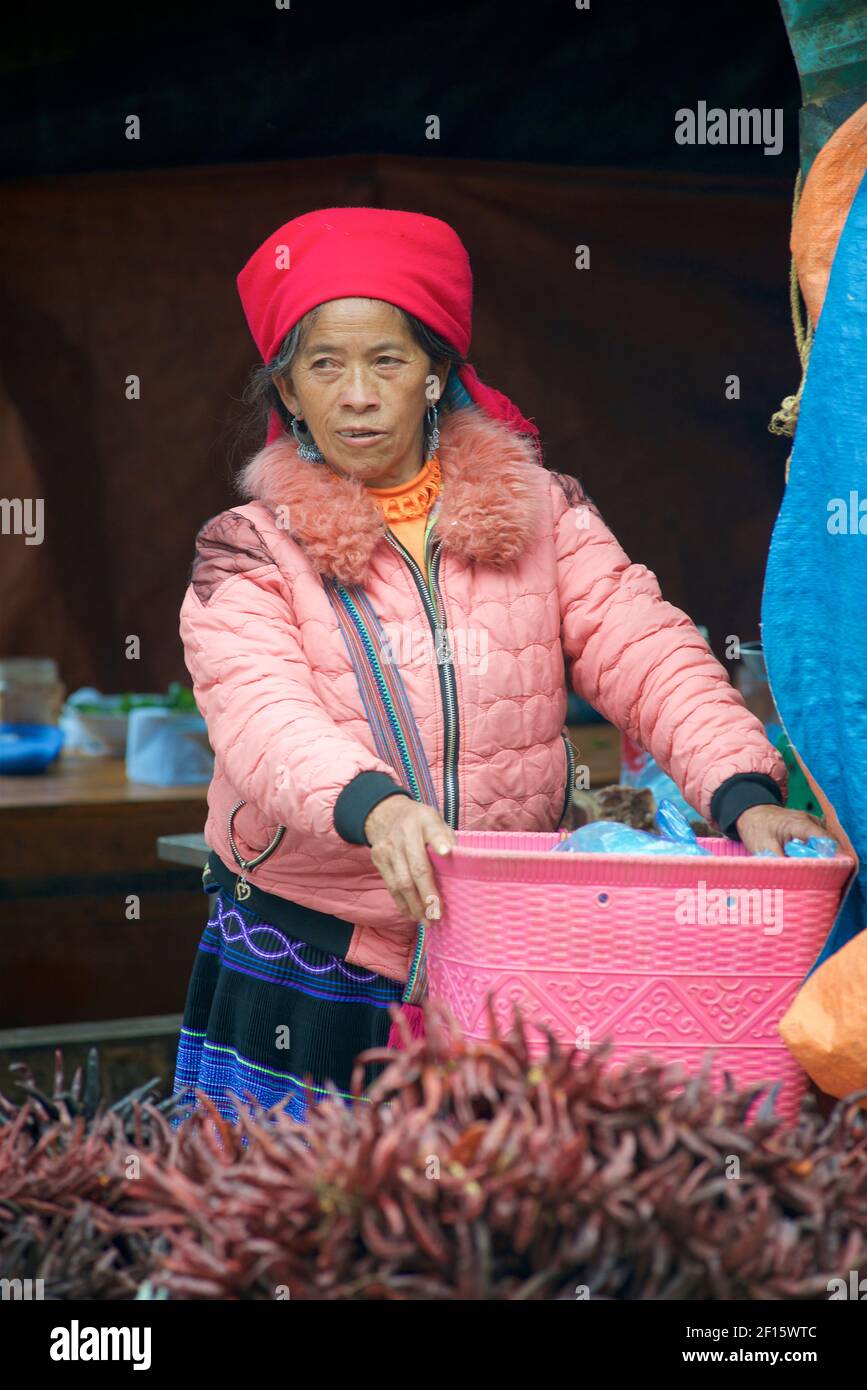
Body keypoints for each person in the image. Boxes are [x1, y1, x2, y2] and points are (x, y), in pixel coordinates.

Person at [171, 206, 827, 1124]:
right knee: (310, 1226)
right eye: (324, 364)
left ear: (435, 374)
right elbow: (258, 713)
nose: (356, 393)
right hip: (313, 945)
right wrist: (375, 806)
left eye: (387, 361)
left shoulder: (542, 515)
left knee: (486, 1220)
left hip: (507, 931)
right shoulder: (247, 549)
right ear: (287, 391)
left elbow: (643, 648)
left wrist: (741, 790)